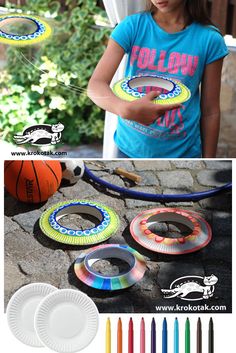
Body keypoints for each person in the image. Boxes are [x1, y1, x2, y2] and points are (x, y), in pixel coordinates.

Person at [88, 0, 229, 158]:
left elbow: (210, 112)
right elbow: (96, 84)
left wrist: (208, 163)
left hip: (183, 155)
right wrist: (124, 109)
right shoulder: (132, 26)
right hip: (128, 150)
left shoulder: (210, 39)